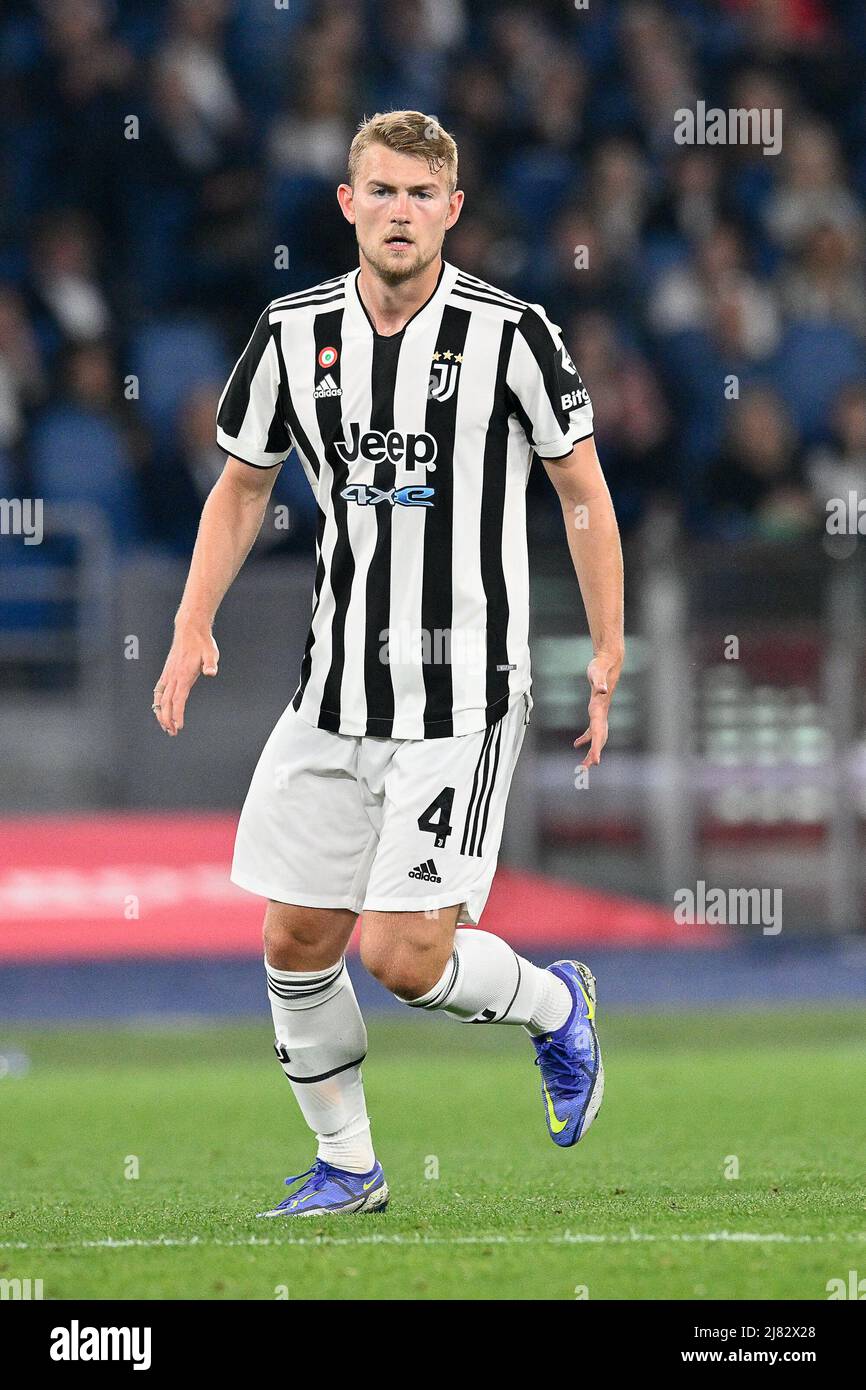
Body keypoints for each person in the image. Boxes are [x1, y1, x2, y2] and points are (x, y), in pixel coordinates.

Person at [152, 110, 624, 1217]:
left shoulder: (513, 334)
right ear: (347, 203)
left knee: (404, 956)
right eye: (381, 191)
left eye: (421, 194)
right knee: (295, 937)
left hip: (461, 695)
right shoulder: (288, 331)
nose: (400, 211)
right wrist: (189, 622)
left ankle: (556, 1009)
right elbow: (241, 486)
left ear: (452, 210)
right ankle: (348, 1165)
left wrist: (605, 645)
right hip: (332, 693)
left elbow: (582, 494)